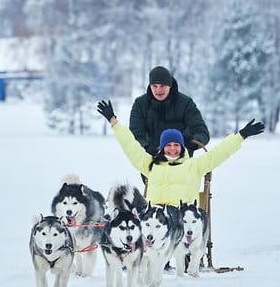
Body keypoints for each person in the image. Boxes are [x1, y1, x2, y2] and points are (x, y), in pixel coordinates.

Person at [96, 99, 264, 205]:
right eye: (168, 145)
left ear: (182, 147)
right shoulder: (150, 164)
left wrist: (241, 136)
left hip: (182, 219)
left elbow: (218, 154)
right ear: (162, 148)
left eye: (177, 145)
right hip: (155, 220)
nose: (173, 148)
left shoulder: (194, 165)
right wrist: (114, 122)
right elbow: (130, 146)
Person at [129, 66, 210, 157]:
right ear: (150, 86)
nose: (158, 90)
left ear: (170, 85)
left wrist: (190, 144)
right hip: (152, 160)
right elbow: (134, 135)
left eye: (162, 85)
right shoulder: (140, 104)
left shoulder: (186, 103)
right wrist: (146, 147)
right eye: (154, 86)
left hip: (182, 161)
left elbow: (202, 132)